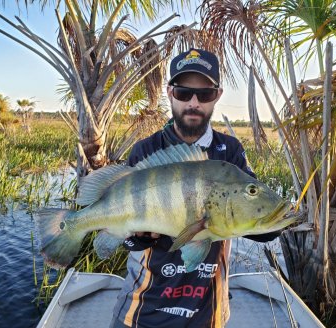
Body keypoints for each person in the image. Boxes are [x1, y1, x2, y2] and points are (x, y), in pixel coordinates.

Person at [111, 48, 279, 328]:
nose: (193, 102)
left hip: (207, 312)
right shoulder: (145, 150)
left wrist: (278, 218)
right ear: (169, 92)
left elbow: (266, 229)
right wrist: (140, 237)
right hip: (142, 309)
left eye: (204, 94)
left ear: (217, 96)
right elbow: (127, 241)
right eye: (183, 92)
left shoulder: (230, 152)